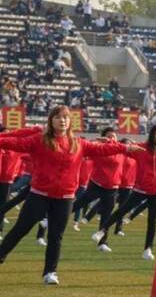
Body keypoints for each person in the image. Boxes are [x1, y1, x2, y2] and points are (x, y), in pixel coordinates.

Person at [0, 106, 141, 284]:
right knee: (20, 229)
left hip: (65, 198)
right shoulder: (39, 140)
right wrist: (30, 130)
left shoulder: (78, 143)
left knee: (56, 236)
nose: (62, 120)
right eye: (58, 117)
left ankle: (50, 272)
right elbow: (12, 143)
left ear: (70, 121)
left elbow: (102, 150)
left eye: (66, 118)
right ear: (51, 121)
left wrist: (125, 148)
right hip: (39, 195)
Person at [91, 125, 156, 261]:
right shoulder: (142, 149)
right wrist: (108, 142)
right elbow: (123, 147)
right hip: (140, 189)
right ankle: (102, 231)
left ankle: (148, 249)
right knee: (122, 210)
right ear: (151, 135)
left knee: (152, 222)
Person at [72, 127, 125, 252]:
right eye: (108, 136)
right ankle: (53, 218)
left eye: (113, 136)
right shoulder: (99, 149)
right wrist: (100, 142)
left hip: (112, 188)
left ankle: (103, 243)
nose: (111, 139)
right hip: (96, 184)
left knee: (106, 216)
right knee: (78, 203)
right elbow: (84, 149)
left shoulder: (121, 149)